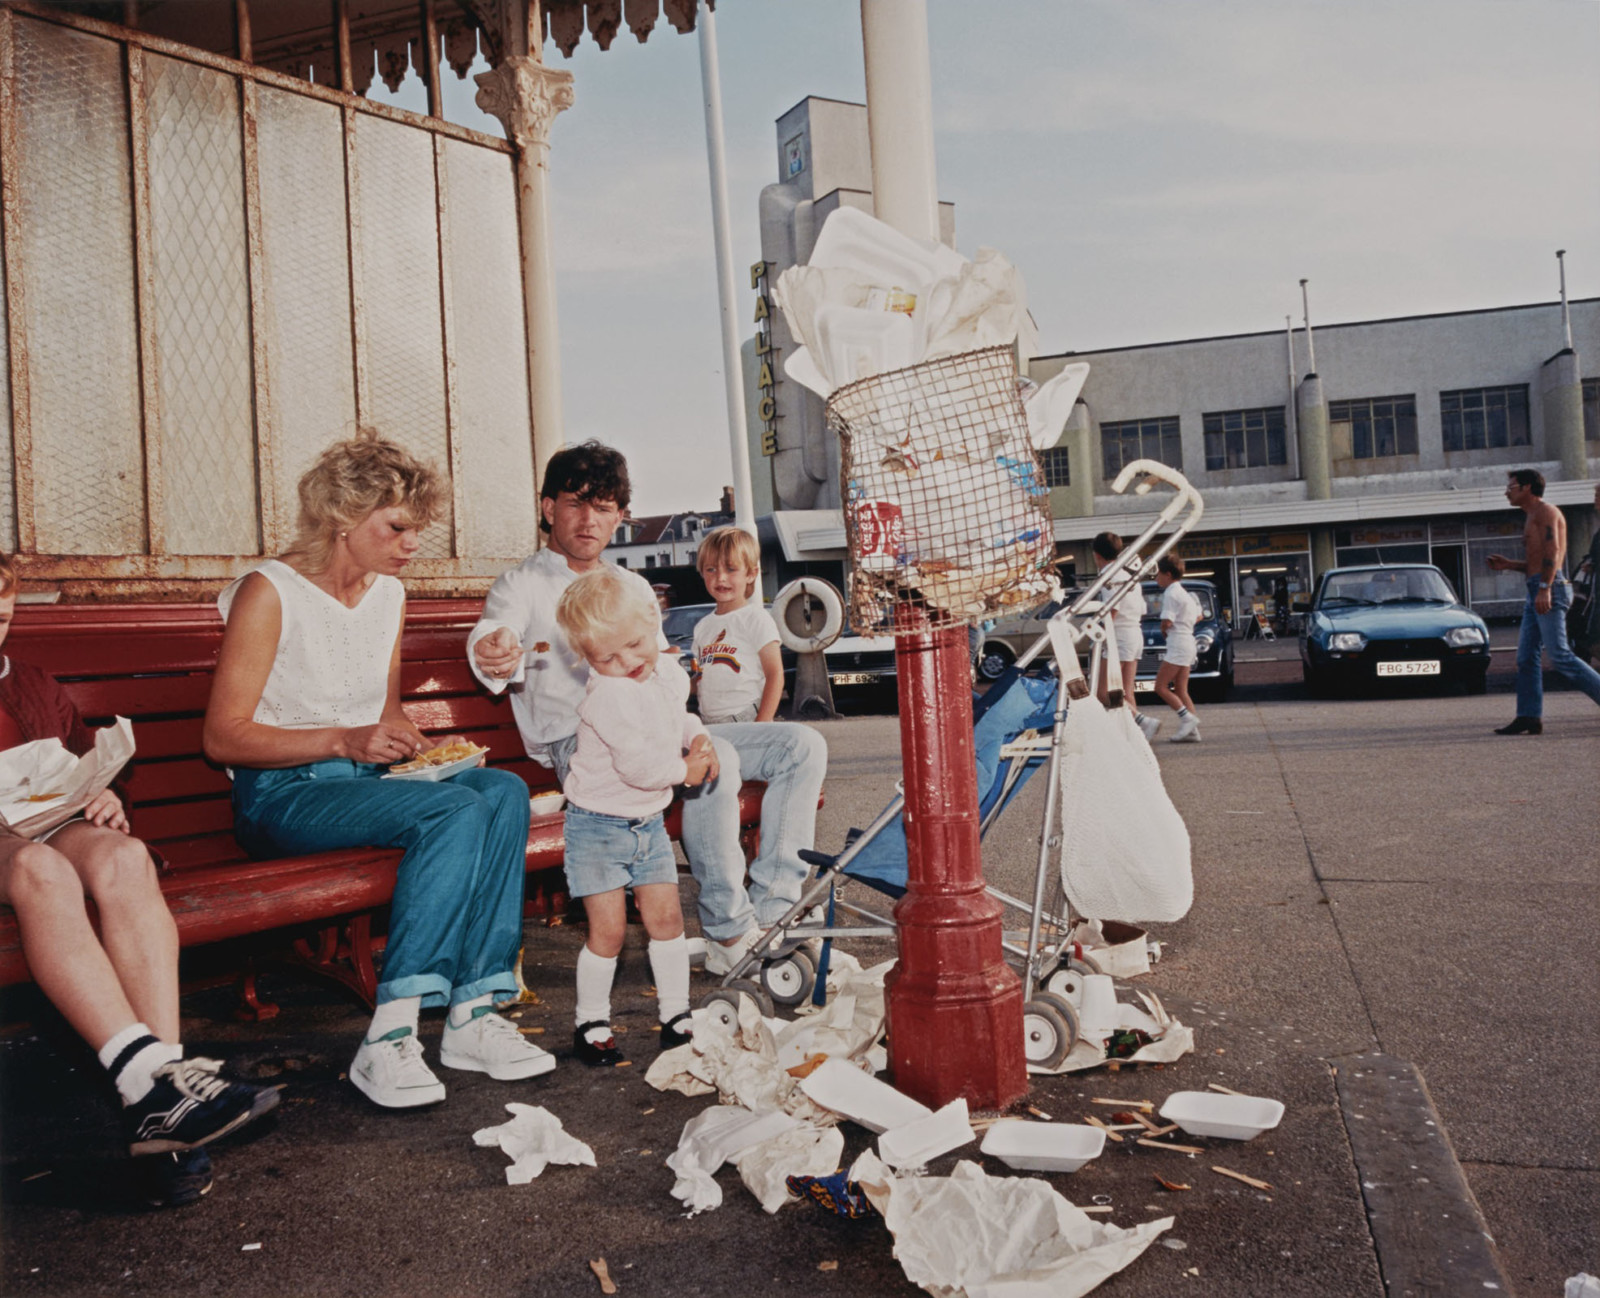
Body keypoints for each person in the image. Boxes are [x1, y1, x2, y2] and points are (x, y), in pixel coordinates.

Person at [204, 431, 554, 1110]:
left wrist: (409, 744)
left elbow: (382, 713)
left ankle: (473, 1015)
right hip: (283, 797)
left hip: (366, 788)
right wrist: (344, 738)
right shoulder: (268, 592)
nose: (411, 543)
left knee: (502, 790)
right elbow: (224, 737)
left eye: (416, 529)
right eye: (397, 527)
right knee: (455, 810)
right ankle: (389, 1037)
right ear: (342, 518)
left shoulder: (388, 595)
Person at [468, 443, 828, 977]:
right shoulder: (522, 585)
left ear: (619, 516)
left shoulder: (631, 586)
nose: (590, 520)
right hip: (583, 745)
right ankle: (729, 930)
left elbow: (659, 671)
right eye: (575, 504)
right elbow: (496, 629)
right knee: (719, 761)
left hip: (657, 730)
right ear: (549, 509)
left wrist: (686, 729)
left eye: (605, 507)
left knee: (801, 746)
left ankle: (774, 912)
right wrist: (492, 647)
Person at [0, 554, 277, 1207]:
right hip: (13, 850)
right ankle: (150, 1083)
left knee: (124, 857)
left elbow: (70, 765)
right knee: (41, 869)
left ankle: (163, 1111)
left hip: (44, 822)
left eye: (3, 613)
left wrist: (102, 797)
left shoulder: (31, 681)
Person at [555, 568, 711, 1066]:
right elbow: (641, 767)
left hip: (646, 823)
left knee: (667, 920)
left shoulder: (662, 670)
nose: (626, 663)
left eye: (634, 645)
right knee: (610, 932)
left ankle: (676, 1014)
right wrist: (687, 770)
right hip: (596, 826)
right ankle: (591, 1020)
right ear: (587, 659)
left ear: (652, 620)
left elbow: (674, 717)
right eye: (607, 657)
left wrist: (697, 736)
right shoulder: (608, 694)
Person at [1485, 469, 1600, 735]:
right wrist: (1510, 565)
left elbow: (1554, 552)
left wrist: (1545, 589)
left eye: (1511, 487)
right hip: (1537, 587)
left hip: (1550, 588)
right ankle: (1529, 716)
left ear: (1526, 488)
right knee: (1526, 657)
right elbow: (1537, 563)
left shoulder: (1546, 512)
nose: (1506, 491)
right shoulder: (1531, 516)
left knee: (1560, 656)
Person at [1090, 531, 1160, 741]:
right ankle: (1135, 735)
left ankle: (1141, 721)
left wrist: (1096, 627)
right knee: (1126, 692)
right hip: (1134, 633)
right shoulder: (1129, 575)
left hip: (1118, 636)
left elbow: (1112, 609)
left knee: (1103, 692)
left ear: (1096, 555)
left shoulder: (1110, 576)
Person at [1154, 555, 1202, 743]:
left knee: (1160, 686)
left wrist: (1164, 630)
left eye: (1158, 573)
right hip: (1188, 641)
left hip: (1178, 643)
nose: (1156, 578)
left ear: (1167, 574)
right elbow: (1199, 616)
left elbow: (1167, 621)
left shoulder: (1171, 593)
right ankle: (1192, 731)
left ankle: (1187, 718)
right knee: (1181, 689)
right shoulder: (1185, 594)